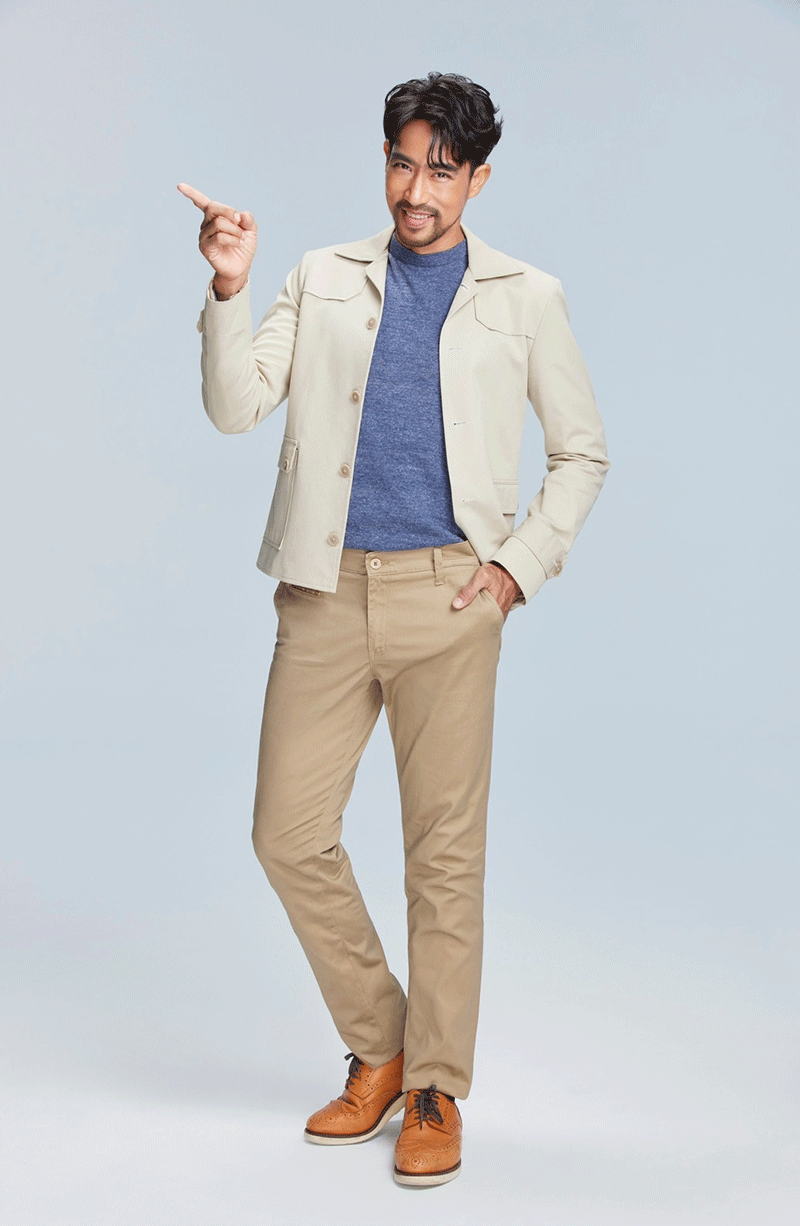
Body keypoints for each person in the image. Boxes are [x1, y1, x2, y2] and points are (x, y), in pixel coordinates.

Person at [179, 71, 608, 1188]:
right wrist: (228, 288)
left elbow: (580, 452)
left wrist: (515, 568)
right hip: (323, 592)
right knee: (286, 832)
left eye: (441, 171)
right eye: (401, 164)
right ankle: (383, 1041)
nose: (416, 191)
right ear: (385, 162)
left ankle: (434, 1088)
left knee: (443, 857)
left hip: (449, 600)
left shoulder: (527, 295)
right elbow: (234, 406)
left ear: (478, 179)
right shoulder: (322, 275)